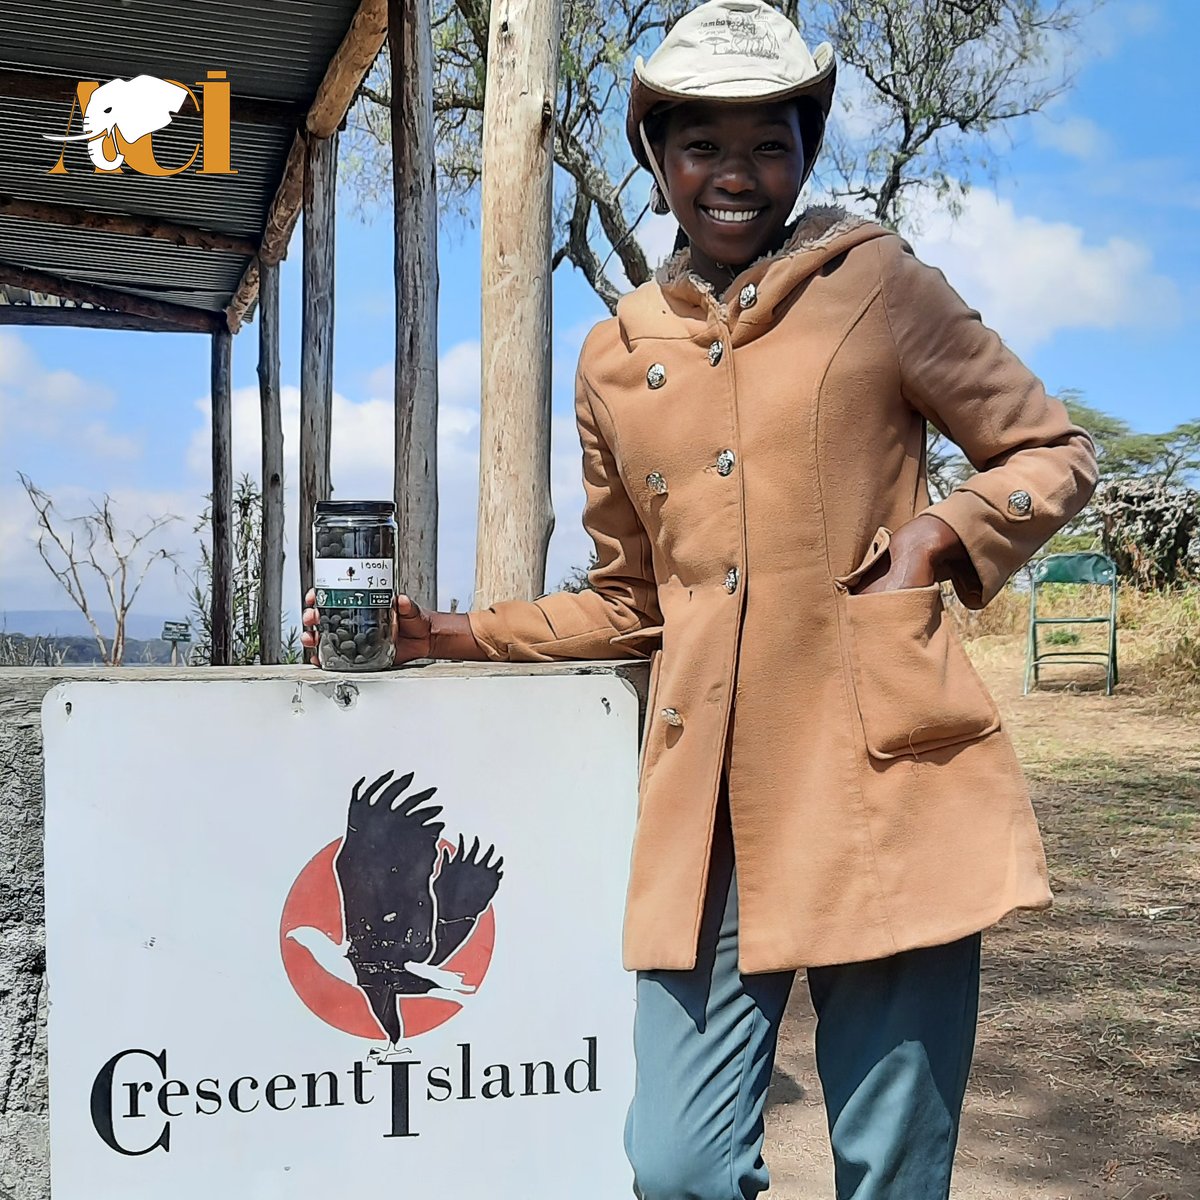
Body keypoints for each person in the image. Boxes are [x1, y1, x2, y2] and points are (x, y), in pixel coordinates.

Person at [303, 2, 1098, 1195]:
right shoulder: (615, 355)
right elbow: (632, 600)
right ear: (657, 156)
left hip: (886, 778)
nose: (736, 174)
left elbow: (1050, 453)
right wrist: (452, 632)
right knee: (674, 1165)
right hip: (708, 813)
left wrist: (941, 532)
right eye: (702, 147)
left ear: (804, 151)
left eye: (768, 144)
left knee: (891, 1166)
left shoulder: (877, 284)